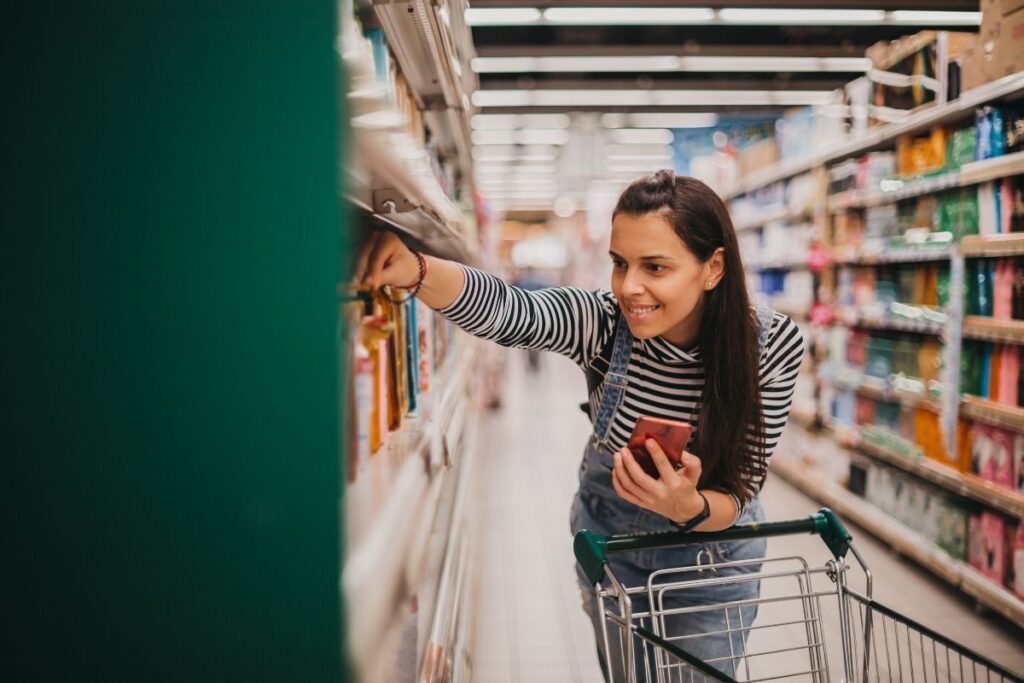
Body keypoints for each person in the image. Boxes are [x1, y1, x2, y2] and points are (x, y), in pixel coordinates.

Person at [357, 170, 804, 680]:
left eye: (655, 267)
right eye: (620, 263)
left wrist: (689, 506)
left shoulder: (768, 345)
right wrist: (415, 268)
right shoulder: (604, 322)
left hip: (711, 558)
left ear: (713, 267)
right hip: (613, 543)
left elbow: (742, 487)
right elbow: (512, 310)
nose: (629, 287)